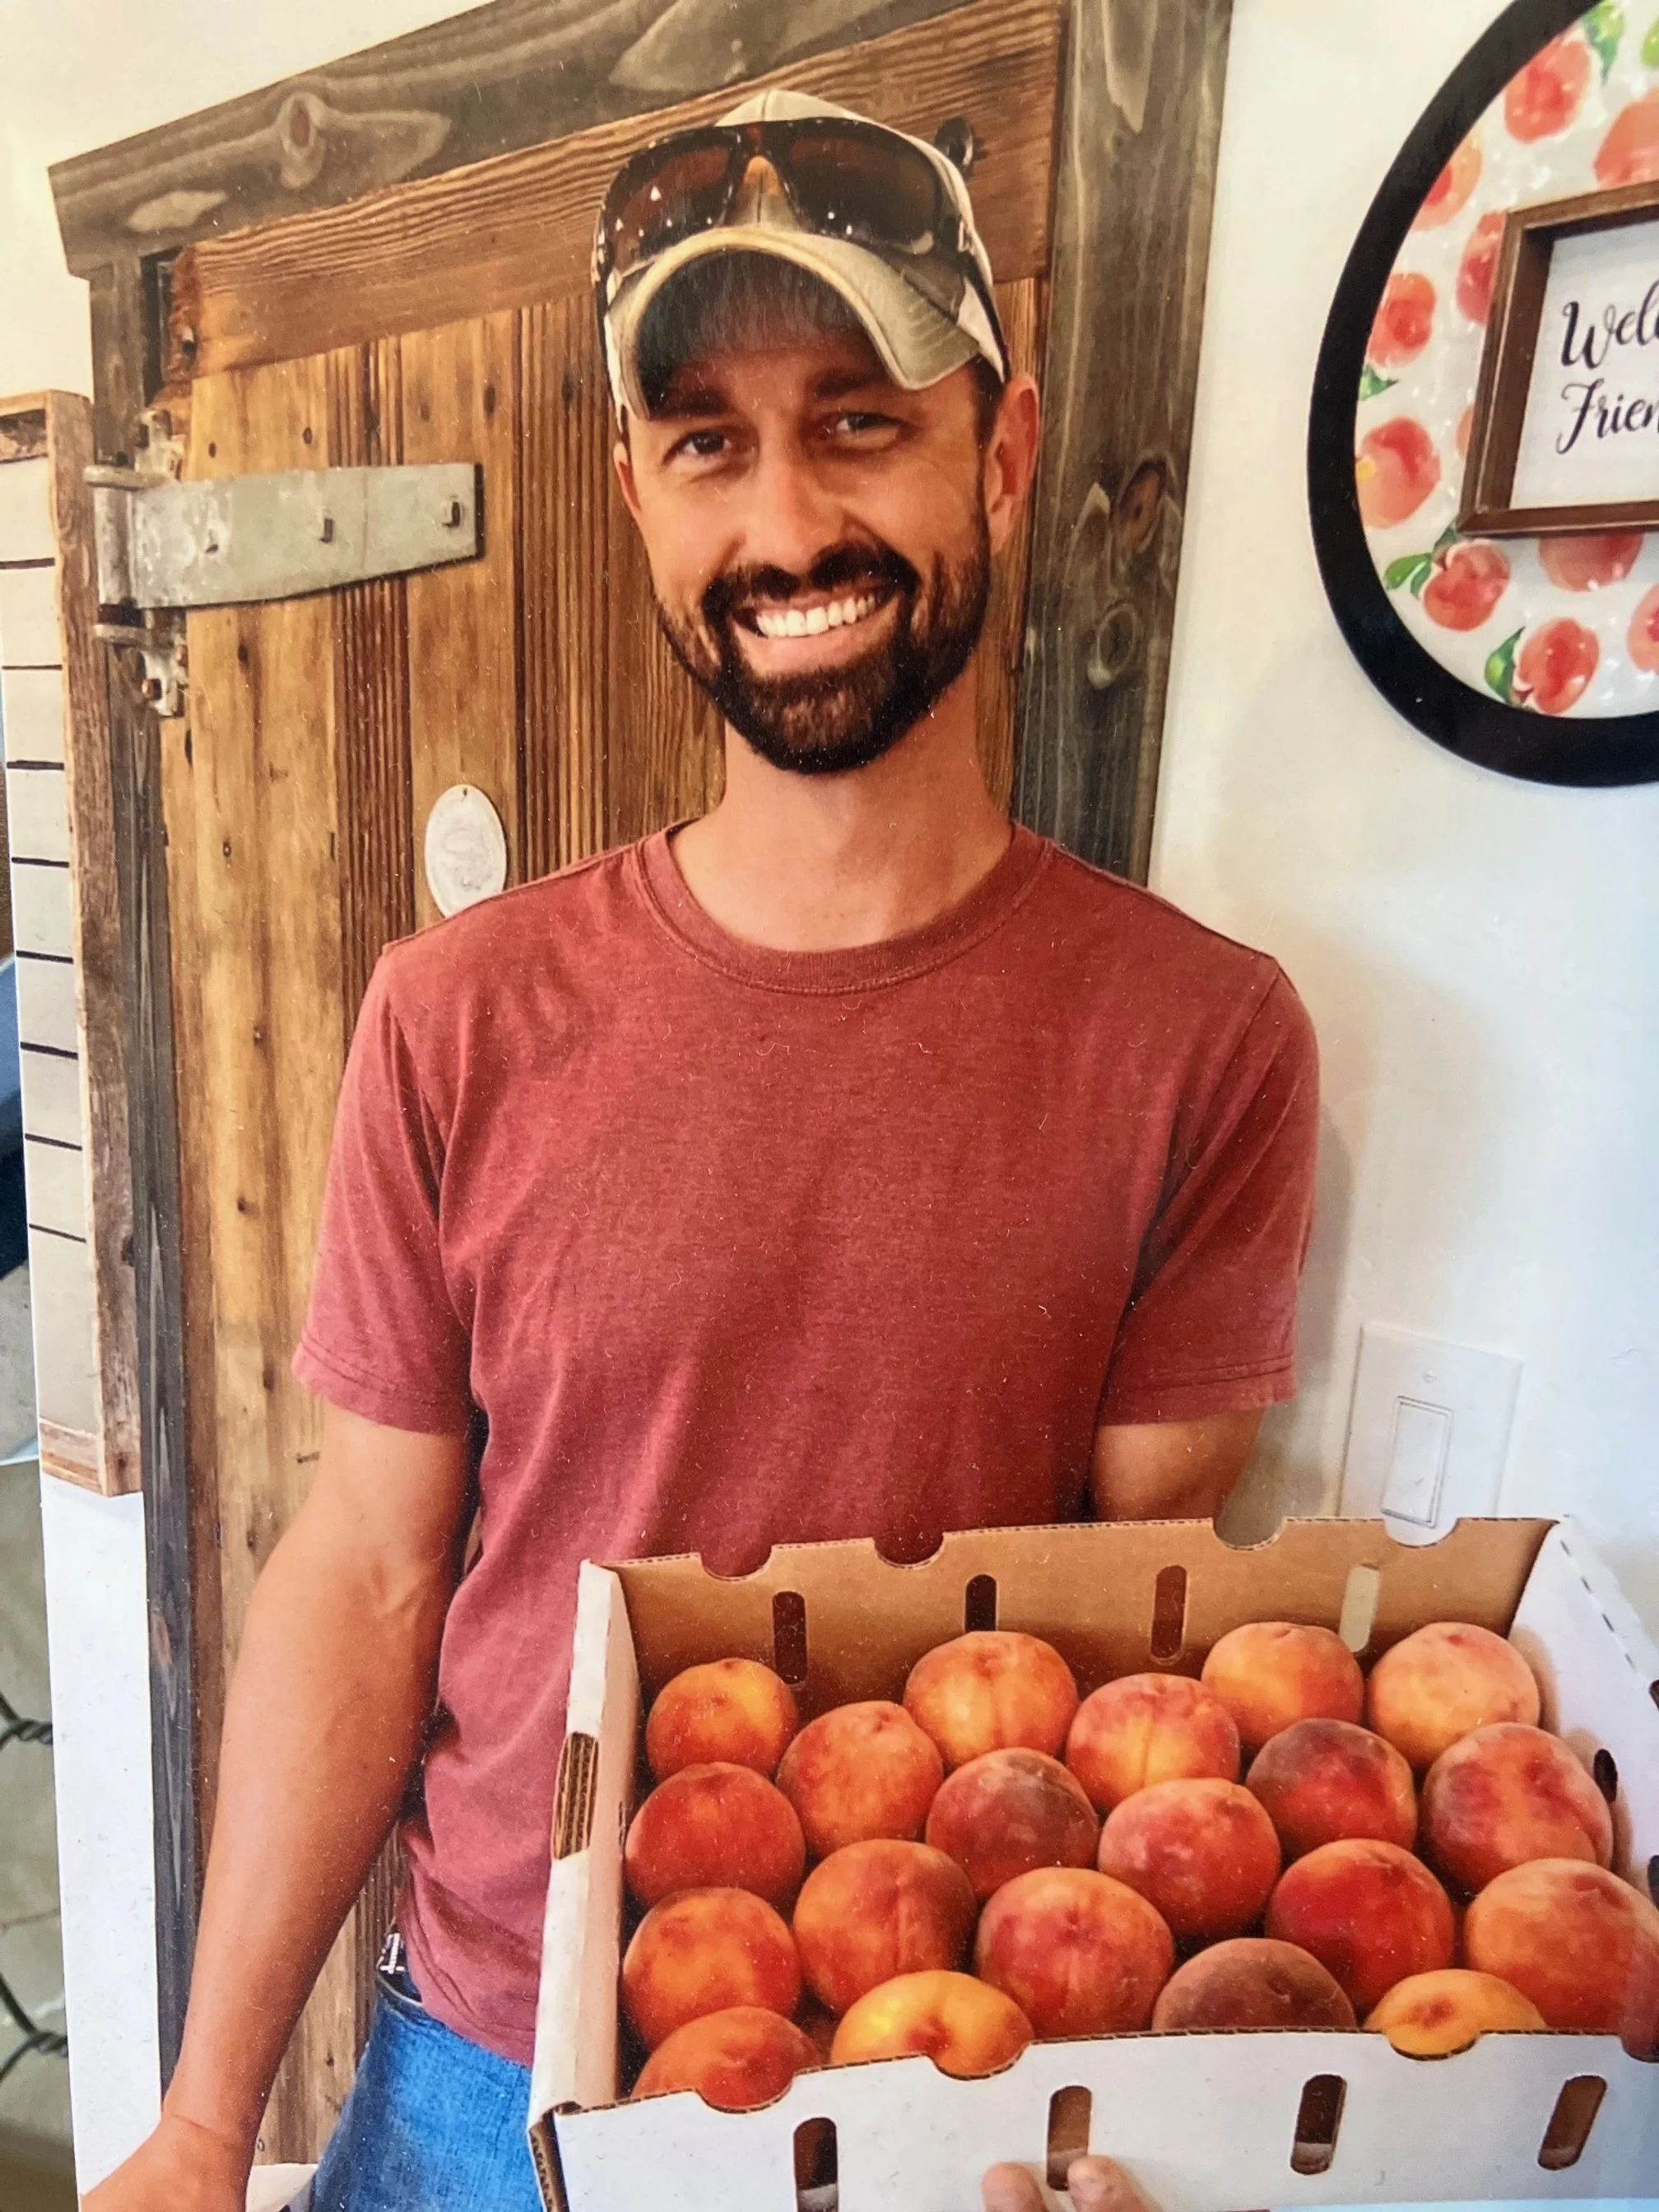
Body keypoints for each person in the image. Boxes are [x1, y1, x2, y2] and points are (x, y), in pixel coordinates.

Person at [88, 89, 1319, 2212]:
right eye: (708, 446)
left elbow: (1143, 1634)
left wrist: (1113, 2104)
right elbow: (372, 1568)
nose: (783, 526)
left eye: (860, 421)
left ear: (999, 455)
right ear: (643, 504)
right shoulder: (455, 1013)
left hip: (914, 2086)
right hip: (489, 2068)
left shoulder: (1202, 1041)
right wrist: (205, 2121)